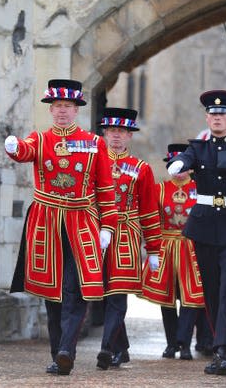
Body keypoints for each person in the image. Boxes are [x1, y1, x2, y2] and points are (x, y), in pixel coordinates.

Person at [4, 79, 118, 376]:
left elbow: (106, 189)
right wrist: (14, 147)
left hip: (81, 221)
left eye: (67, 106)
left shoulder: (95, 143)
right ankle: (59, 353)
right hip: (47, 222)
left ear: (76, 109)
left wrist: (108, 226)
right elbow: (26, 151)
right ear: (51, 110)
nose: (62, 112)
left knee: (77, 288)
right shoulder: (40, 139)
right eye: (57, 107)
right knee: (52, 293)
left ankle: (67, 348)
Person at [167, 90, 226, 376]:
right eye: (213, 114)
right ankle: (221, 344)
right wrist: (179, 164)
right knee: (211, 288)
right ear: (207, 117)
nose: (217, 118)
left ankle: (224, 349)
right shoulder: (199, 148)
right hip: (205, 225)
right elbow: (186, 156)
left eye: (223, 114)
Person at [96, 108, 162, 370]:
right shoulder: (94, 162)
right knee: (101, 292)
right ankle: (120, 347)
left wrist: (154, 248)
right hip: (98, 232)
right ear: (104, 133)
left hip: (126, 234)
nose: (116, 137)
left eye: (122, 132)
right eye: (112, 131)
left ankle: (105, 348)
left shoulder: (140, 169)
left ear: (129, 136)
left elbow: (149, 209)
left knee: (118, 293)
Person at [141, 143, 208, 360]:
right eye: (174, 167)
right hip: (166, 247)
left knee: (191, 299)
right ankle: (171, 343)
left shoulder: (201, 189)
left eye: (183, 167)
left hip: (192, 248)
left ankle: (185, 343)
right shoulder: (159, 189)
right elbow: (150, 218)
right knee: (167, 299)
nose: (179, 172)